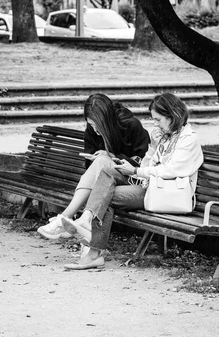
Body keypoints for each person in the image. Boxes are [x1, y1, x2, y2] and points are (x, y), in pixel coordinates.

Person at [60, 92, 204, 270]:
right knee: (107, 172)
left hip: (166, 193)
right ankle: (86, 221)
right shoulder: (166, 137)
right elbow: (148, 163)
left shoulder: (188, 139)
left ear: (172, 115)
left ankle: (93, 251)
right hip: (150, 187)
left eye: (158, 120)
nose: (155, 124)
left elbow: (170, 170)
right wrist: (152, 147)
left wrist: (135, 170)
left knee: (106, 195)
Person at [36, 93, 150, 241]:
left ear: (106, 120)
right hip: (103, 182)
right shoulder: (91, 130)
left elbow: (145, 162)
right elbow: (91, 168)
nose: (94, 129)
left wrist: (112, 156)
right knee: (101, 162)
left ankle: (64, 218)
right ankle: (76, 224)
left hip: (134, 180)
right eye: (90, 124)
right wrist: (101, 157)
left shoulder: (130, 125)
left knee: (103, 159)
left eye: (97, 124)